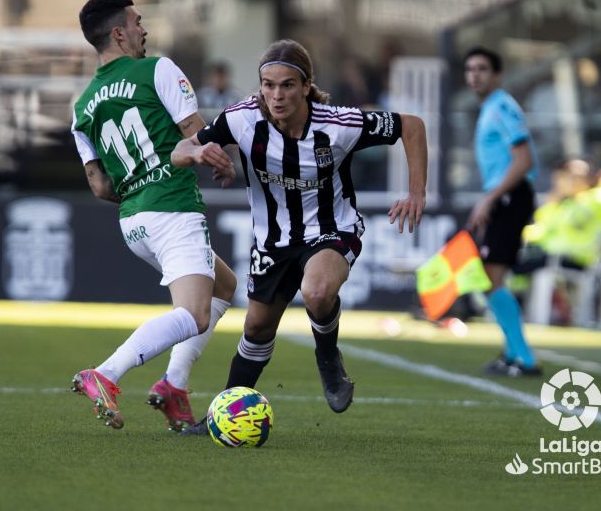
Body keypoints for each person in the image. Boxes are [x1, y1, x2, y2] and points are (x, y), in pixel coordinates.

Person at [172, 39, 427, 432]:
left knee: (318, 291)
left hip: (332, 228)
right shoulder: (240, 119)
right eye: (268, 85)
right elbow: (180, 150)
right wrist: (198, 154)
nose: (276, 95)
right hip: (273, 240)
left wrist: (416, 192)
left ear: (307, 86)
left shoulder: (339, 124)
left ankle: (328, 359)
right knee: (256, 328)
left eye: (287, 85)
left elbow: (411, 126)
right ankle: (219, 414)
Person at [69, 0, 237, 431]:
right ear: (119, 33)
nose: (145, 30)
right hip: (173, 208)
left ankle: (174, 385)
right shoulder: (157, 69)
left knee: (225, 284)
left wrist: (138, 189)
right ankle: (105, 374)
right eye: (138, 22)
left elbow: (99, 184)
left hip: (133, 219)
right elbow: (196, 132)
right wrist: (218, 160)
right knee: (195, 313)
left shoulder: (82, 106)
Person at [462, 46, 542, 377]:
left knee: (491, 275)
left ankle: (524, 357)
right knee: (490, 275)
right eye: (469, 69)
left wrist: (490, 198)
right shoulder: (489, 108)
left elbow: (524, 161)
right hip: (502, 196)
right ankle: (513, 353)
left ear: (497, 74)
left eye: (482, 68)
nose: (474, 75)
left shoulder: (503, 107)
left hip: (510, 196)